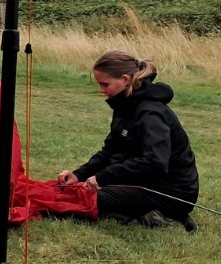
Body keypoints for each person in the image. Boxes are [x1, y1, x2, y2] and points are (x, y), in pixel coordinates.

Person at [57, 51, 199, 230]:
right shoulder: (124, 105)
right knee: (81, 190)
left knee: (92, 198)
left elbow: (155, 162)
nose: (101, 90)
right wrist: (79, 175)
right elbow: (110, 151)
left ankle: (167, 218)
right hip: (146, 181)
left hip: (172, 192)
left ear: (125, 79)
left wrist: (103, 177)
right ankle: (146, 213)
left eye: (104, 84)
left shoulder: (151, 114)